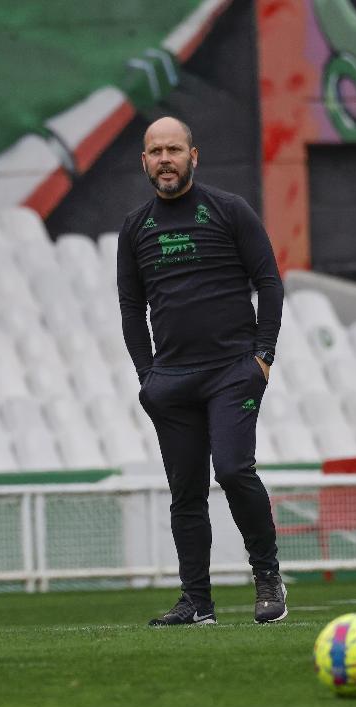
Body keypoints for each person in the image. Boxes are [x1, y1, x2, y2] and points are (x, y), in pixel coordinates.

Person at [117, 116, 287, 627]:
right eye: (155, 151)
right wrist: (148, 378)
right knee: (185, 491)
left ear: (195, 155)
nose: (165, 159)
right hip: (171, 382)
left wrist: (263, 358)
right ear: (143, 161)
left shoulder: (229, 211)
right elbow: (131, 310)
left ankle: (267, 576)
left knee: (234, 470)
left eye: (174, 149)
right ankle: (197, 602)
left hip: (232, 372)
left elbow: (270, 284)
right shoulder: (135, 227)